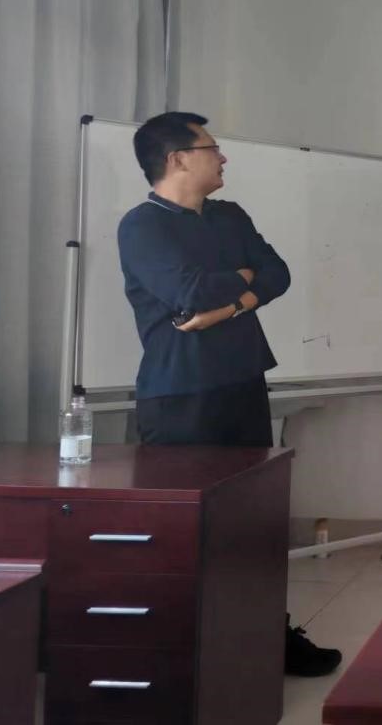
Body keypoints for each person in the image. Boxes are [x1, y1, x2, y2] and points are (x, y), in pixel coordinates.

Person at [117, 111, 341, 678]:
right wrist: (242, 278)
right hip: (180, 396)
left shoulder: (229, 215)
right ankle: (184, 649)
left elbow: (277, 273)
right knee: (188, 529)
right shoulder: (142, 226)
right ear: (177, 159)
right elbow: (188, 291)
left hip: (243, 381)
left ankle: (267, 637)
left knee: (253, 523)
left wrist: (229, 306)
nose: (223, 157)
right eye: (211, 148)